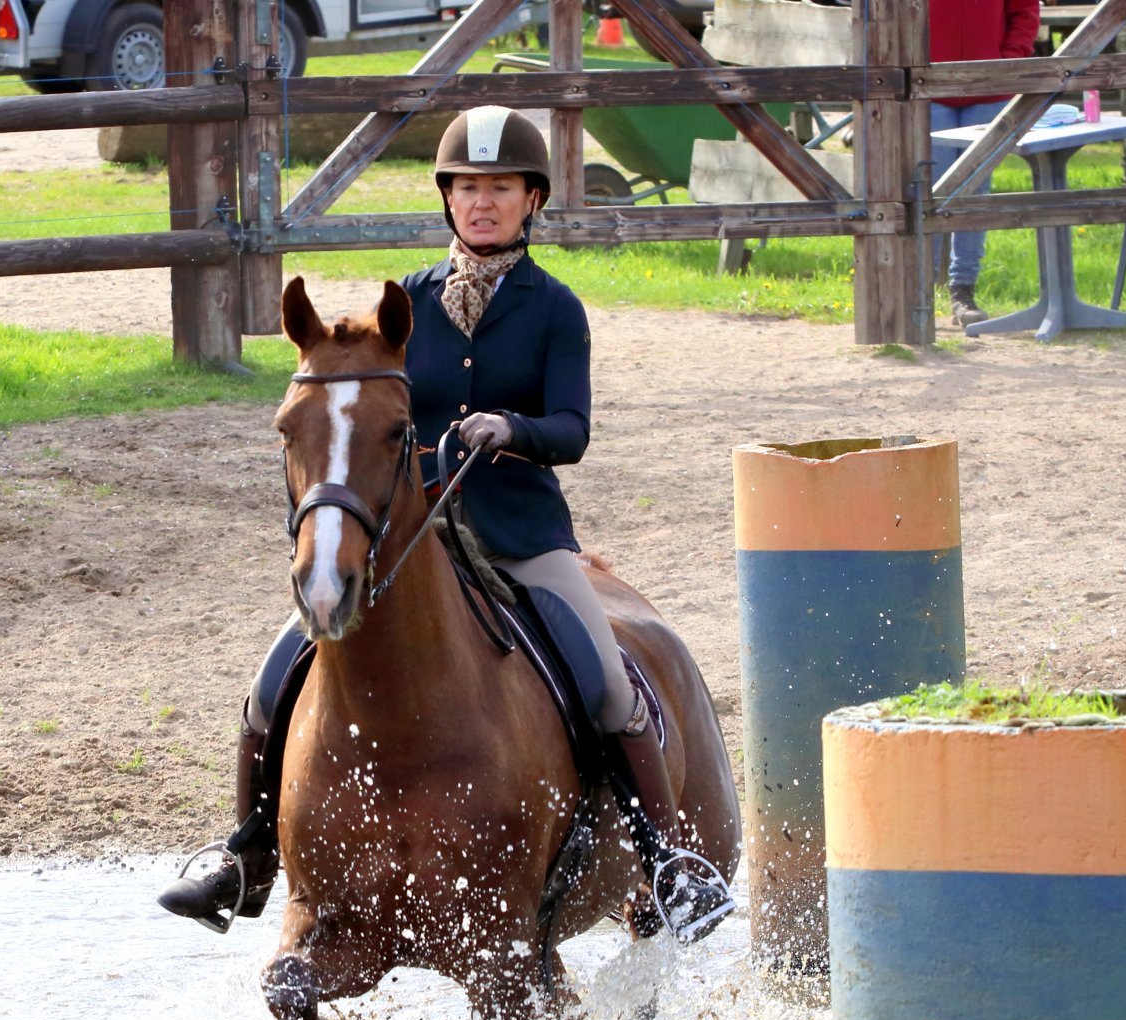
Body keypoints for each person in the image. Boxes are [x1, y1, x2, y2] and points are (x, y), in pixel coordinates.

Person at [157, 106, 732, 943]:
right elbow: (362, 416)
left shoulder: (554, 309)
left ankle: (669, 860)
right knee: (270, 681)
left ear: (532, 199)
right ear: (448, 199)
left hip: (522, 536)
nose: (482, 203)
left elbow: (572, 428)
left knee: (609, 683)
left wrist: (514, 429)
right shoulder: (407, 304)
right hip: (412, 541)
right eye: (468, 188)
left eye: (500, 188)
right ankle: (246, 857)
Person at [929, 0, 1042, 326]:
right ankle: (918, 288)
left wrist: (1009, 60)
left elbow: (1024, 11)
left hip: (990, 90)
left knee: (975, 190)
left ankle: (962, 290)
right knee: (927, 186)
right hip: (930, 86)